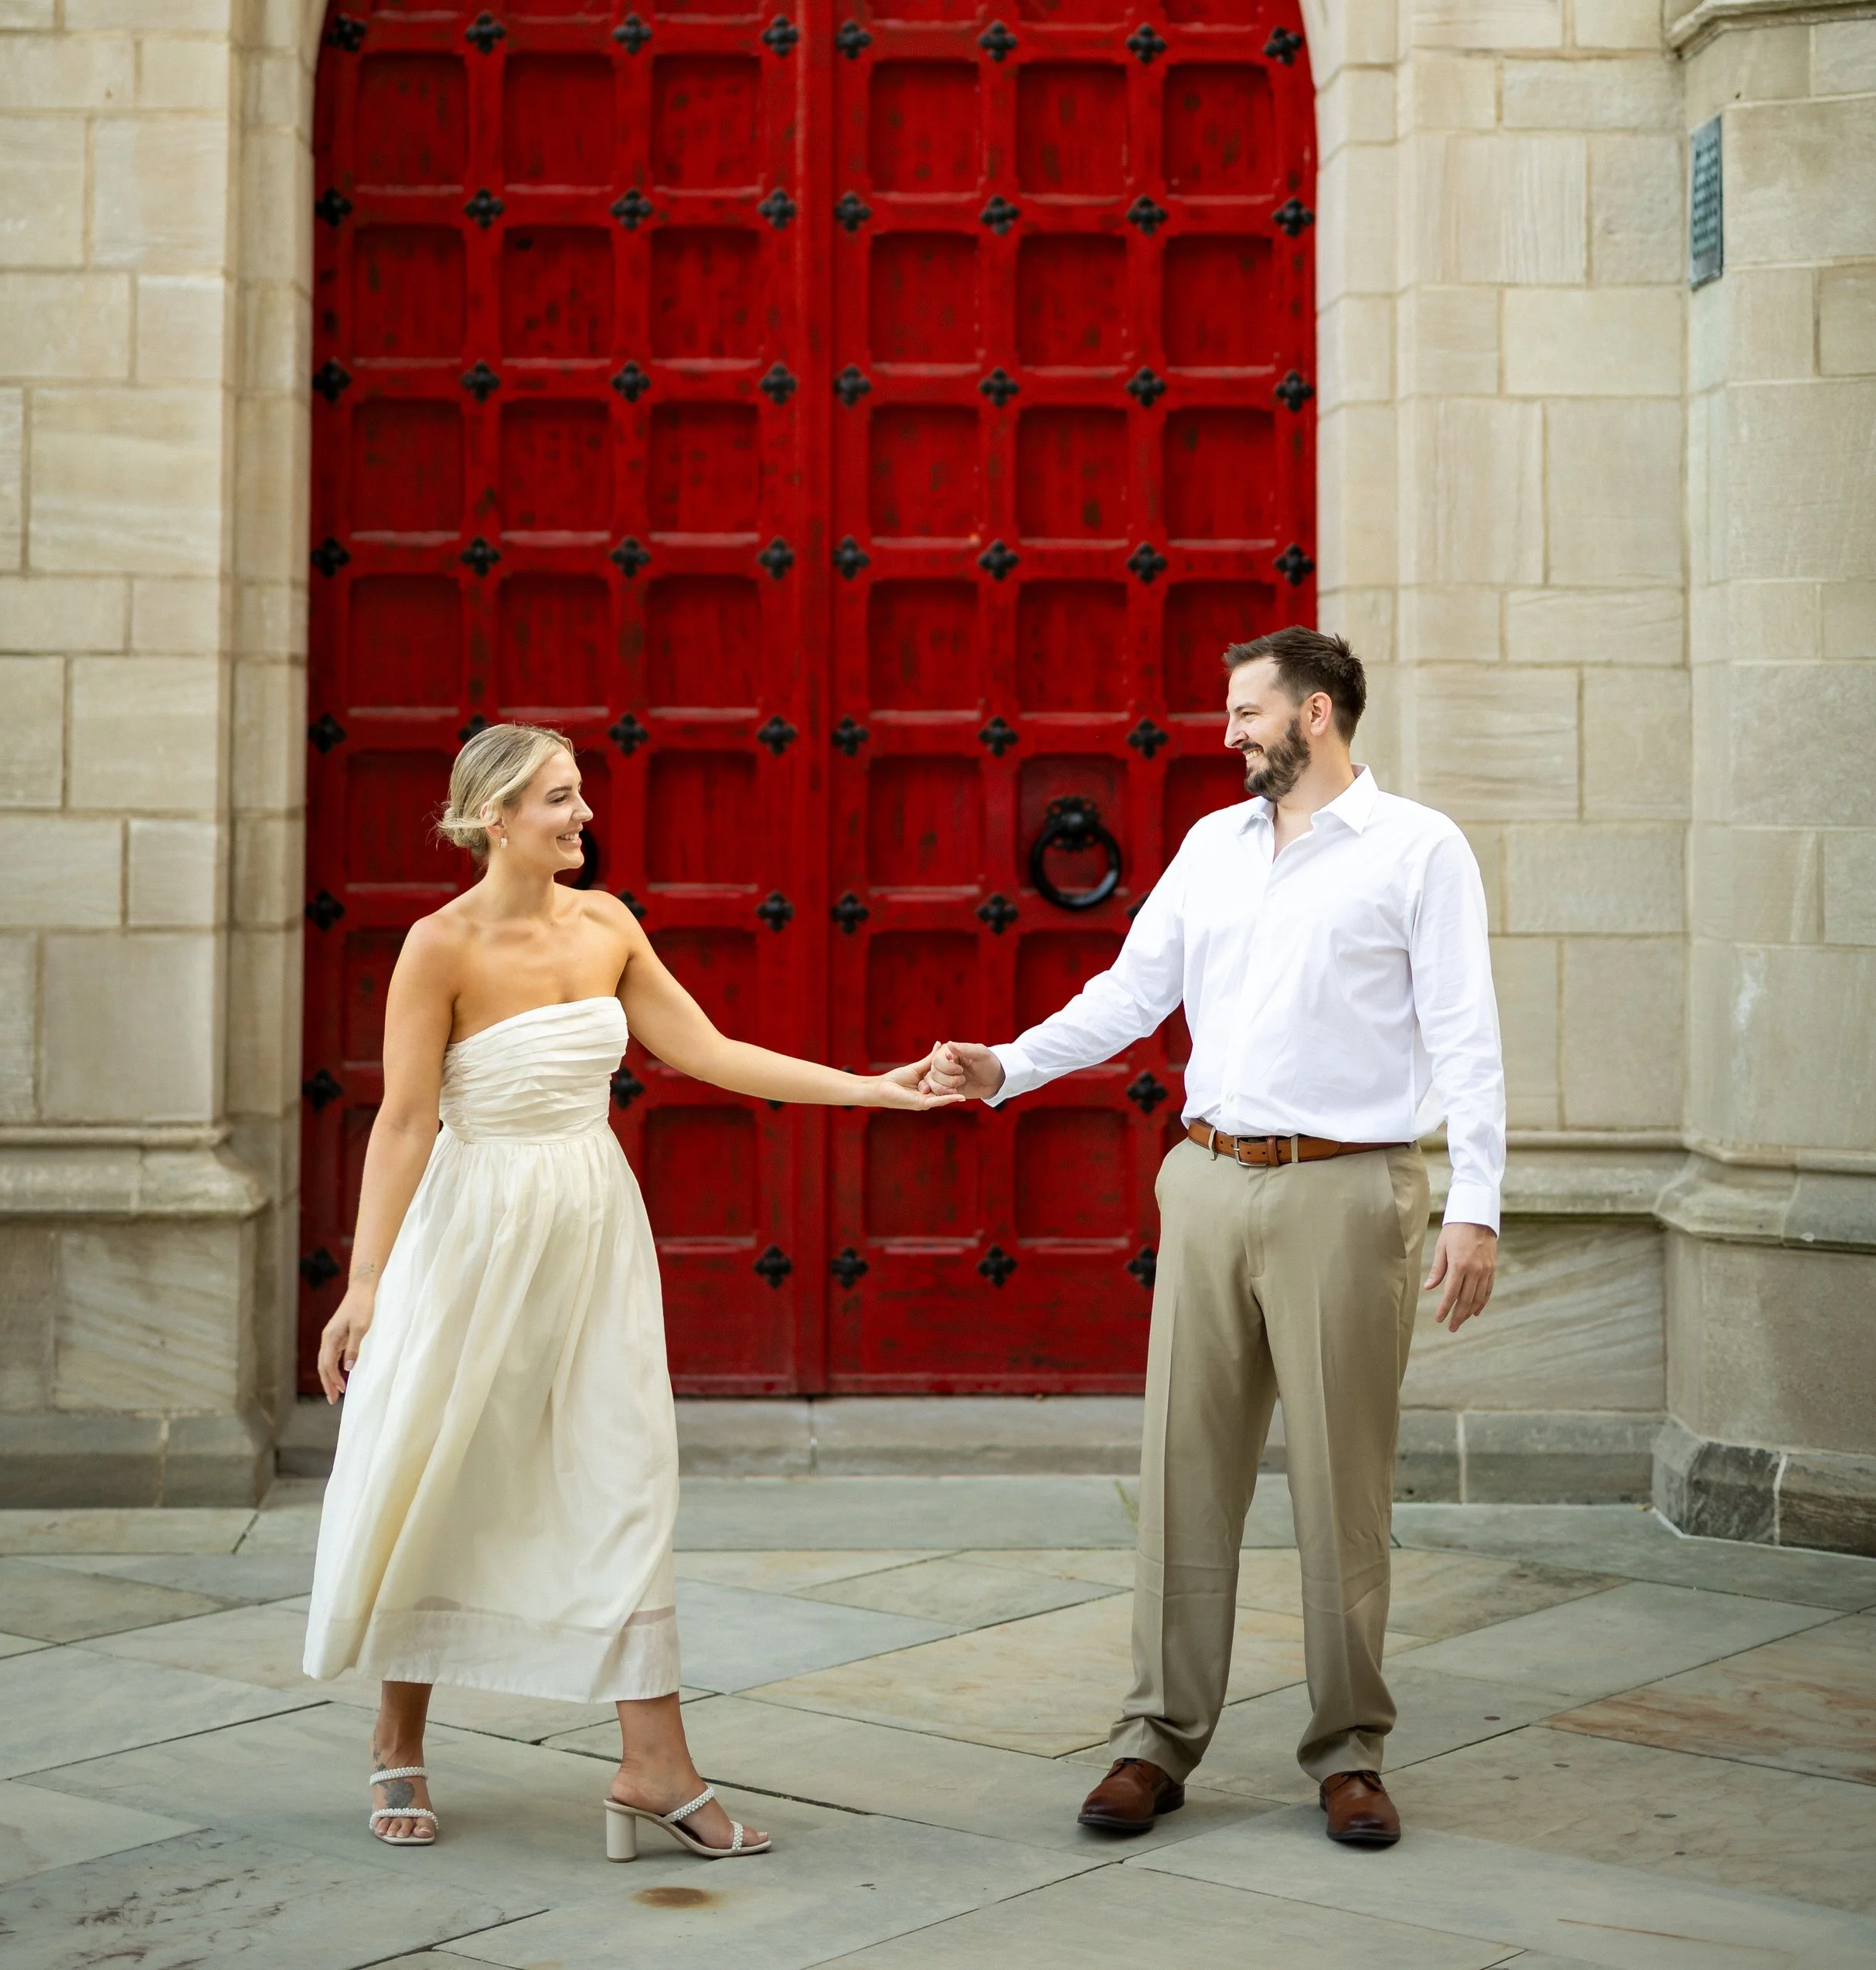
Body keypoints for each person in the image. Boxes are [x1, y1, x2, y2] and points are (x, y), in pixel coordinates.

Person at [304, 720, 958, 1858]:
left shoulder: (607, 923)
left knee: (621, 1472)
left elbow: (708, 1050)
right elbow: (405, 1120)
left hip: (592, 1227)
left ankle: (653, 1761)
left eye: (581, 792)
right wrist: (366, 1283)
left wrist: (878, 1091)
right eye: (560, 797)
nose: (584, 813)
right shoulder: (437, 947)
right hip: (471, 1234)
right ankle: (396, 1731)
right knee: (444, 1463)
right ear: (495, 816)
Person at [929, 628, 1503, 1852]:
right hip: (1203, 1177)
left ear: (1316, 716)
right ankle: (1155, 1735)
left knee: (1344, 1485)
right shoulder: (1211, 845)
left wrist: (1477, 1204)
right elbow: (1131, 997)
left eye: (1248, 710)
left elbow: (1467, 1033)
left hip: (1348, 1192)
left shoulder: (1419, 850)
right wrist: (1005, 1067)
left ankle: (1350, 1750)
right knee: (1186, 1473)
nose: (1227, 730)